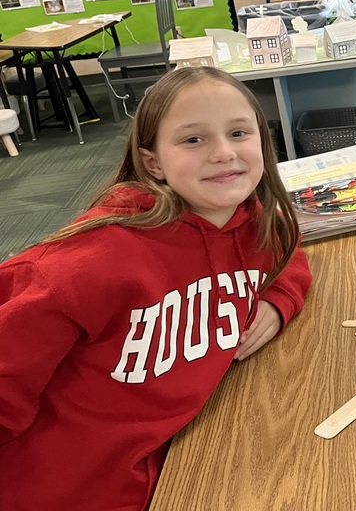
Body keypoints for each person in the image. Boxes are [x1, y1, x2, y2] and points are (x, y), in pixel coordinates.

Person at [0, 66, 313, 508]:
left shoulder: (256, 218)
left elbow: (288, 248)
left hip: (178, 463)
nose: (224, 153)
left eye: (239, 132)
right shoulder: (91, 262)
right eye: (193, 139)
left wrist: (279, 300)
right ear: (153, 163)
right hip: (62, 487)